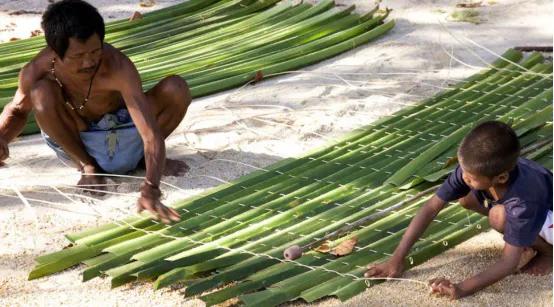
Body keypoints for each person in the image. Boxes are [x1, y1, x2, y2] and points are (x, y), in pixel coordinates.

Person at [0, 0, 192, 224]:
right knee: (41, 92)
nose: (89, 61)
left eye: (95, 51)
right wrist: (2, 137)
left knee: (176, 88)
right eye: (78, 56)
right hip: (78, 140)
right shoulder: (37, 70)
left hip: (125, 131)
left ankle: (142, 160)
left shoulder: (117, 66)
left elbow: (149, 133)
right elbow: (17, 112)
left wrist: (151, 186)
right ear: (55, 51)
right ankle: (87, 166)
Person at [365, 121, 553, 299]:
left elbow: (508, 263)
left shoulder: (522, 200)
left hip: (547, 212)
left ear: (501, 178)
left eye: (470, 177)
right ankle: (523, 238)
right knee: (466, 198)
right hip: (530, 210)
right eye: (463, 170)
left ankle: (548, 252)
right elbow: (431, 207)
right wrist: (397, 259)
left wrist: (461, 288)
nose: (463, 177)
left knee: (499, 217)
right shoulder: (471, 170)